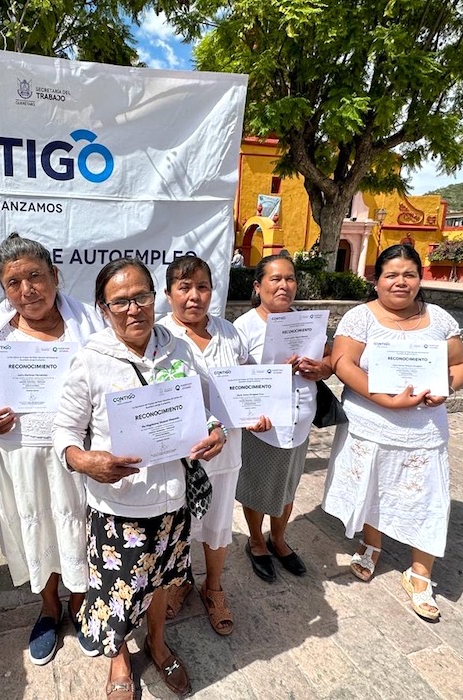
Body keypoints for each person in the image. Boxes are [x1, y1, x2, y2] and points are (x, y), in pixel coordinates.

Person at [53, 258, 226, 700]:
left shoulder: (179, 348)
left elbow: (198, 407)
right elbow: (65, 434)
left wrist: (213, 430)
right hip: (121, 506)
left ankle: (157, 641)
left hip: (173, 503)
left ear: (156, 298)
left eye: (142, 297)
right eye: (121, 301)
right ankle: (118, 658)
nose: (134, 309)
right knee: (117, 592)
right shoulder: (91, 360)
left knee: (164, 582)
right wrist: (85, 461)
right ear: (103, 308)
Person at [0, 233, 104, 665]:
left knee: (76, 528)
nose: (27, 290)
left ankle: (80, 605)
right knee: (33, 527)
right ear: (4, 290)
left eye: (36, 276)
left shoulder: (89, 326)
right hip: (17, 456)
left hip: (74, 456)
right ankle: (48, 607)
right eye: (13, 283)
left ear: (56, 277)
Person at [322, 244, 463, 621]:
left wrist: (447, 387)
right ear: (376, 281)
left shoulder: (438, 319)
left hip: (423, 432)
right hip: (371, 426)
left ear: (420, 279)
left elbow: (460, 363)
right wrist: (386, 401)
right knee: (373, 489)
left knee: (427, 500)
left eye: (408, 274)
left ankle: (420, 573)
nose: (400, 282)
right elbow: (343, 363)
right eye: (391, 275)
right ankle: (371, 546)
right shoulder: (361, 318)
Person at [158, 255, 270, 636]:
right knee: (179, 525)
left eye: (202, 287)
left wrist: (261, 411)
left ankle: (214, 587)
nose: (194, 296)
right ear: (168, 293)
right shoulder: (158, 336)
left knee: (219, 523)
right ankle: (179, 581)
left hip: (226, 452)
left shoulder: (229, 333)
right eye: (184, 287)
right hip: (179, 457)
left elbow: (251, 383)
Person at [233, 254, 332, 583]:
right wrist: (271, 374)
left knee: (289, 486)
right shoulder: (243, 328)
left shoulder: (306, 323)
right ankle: (257, 541)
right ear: (258, 286)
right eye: (275, 279)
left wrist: (322, 368)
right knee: (258, 487)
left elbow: (328, 358)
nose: (284, 285)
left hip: (300, 422)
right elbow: (236, 381)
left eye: (289, 279)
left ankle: (279, 539)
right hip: (264, 426)